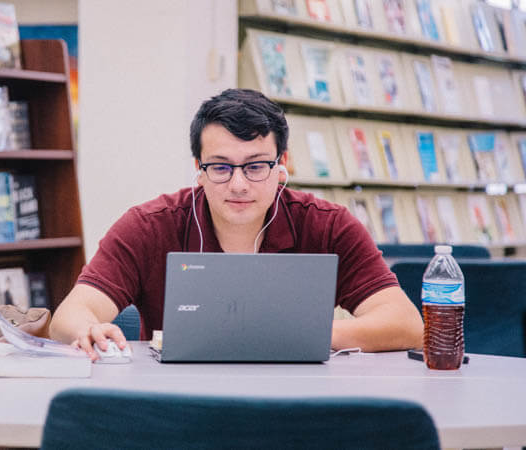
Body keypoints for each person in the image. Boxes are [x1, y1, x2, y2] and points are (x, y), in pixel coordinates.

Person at [49, 88, 423, 360]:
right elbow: (69, 316)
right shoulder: (149, 226)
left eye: (256, 166)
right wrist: (87, 329)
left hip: (298, 402)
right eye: (221, 167)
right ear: (199, 169)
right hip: (178, 404)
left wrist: (301, 336)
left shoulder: (327, 225)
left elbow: (406, 324)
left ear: (282, 166)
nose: (239, 184)